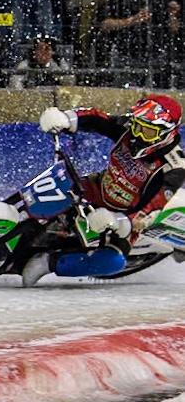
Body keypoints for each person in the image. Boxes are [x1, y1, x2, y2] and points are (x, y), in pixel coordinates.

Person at [23, 95, 185, 285]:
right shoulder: (130, 129)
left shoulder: (173, 168)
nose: (138, 135)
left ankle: (47, 264)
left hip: (124, 216)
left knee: (111, 261)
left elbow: (150, 210)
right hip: (99, 186)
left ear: (167, 134)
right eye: (138, 127)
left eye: (148, 132)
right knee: (55, 191)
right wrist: (67, 118)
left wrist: (119, 221)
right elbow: (99, 119)